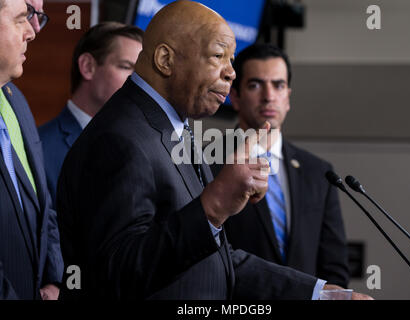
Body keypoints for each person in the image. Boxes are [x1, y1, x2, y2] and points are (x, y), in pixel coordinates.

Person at [56, 0, 370, 300]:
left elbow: (215, 261)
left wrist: (318, 294)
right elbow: (117, 274)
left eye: (232, 60)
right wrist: (215, 204)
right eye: (218, 56)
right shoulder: (119, 138)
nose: (231, 72)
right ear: (166, 60)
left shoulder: (172, 128)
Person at [214, 43, 350, 287]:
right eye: (255, 85)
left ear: (287, 97)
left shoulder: (320, 173)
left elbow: (334, 268)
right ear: (235, 97)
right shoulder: (209, 162)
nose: (268, 96)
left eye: (278, 85)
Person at [39, 22, 143, 202]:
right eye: (126, 67)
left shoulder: (142, 146)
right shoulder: (40, 149)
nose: (138, 82)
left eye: (141, 73)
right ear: (87, 66)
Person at [0, 0, 63, 299]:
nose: (33, 32)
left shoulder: (16, 101)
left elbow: (42, 204)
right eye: (22, 18)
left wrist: (54, 279)